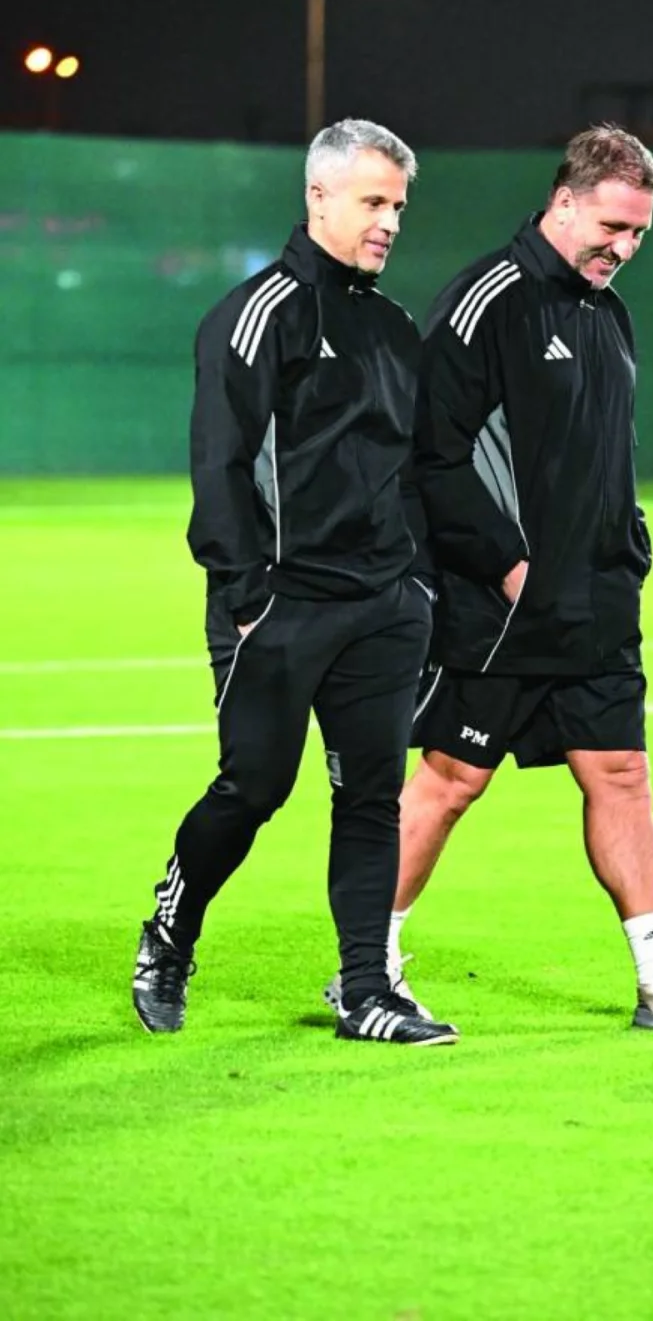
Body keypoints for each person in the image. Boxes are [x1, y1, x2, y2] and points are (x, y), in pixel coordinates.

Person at [326, 124, 653, 1029]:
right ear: (564, 202)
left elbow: (605, 450)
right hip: (500, 603)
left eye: (640, 233)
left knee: (621, 771)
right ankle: (365, 966)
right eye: (613, 225)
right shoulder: (489, 300)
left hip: (599, 596)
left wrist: (628, 543)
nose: (625, 247)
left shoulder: (608, 312)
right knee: (452, 776)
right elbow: (431, 457)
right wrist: (508, 565)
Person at [133, 118, 458, 1046]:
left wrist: (420, 589)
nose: (389, 221)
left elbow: (415, 471)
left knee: (369, 797)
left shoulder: (395, 328)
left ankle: (367, 991)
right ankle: (171, 932)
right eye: (372, 201)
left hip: (384, 607)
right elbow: (220, 468)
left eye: (398, 204)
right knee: (253, 787)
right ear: (318, 197)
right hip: (279, 608)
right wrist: (247, 598)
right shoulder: (253, 315)